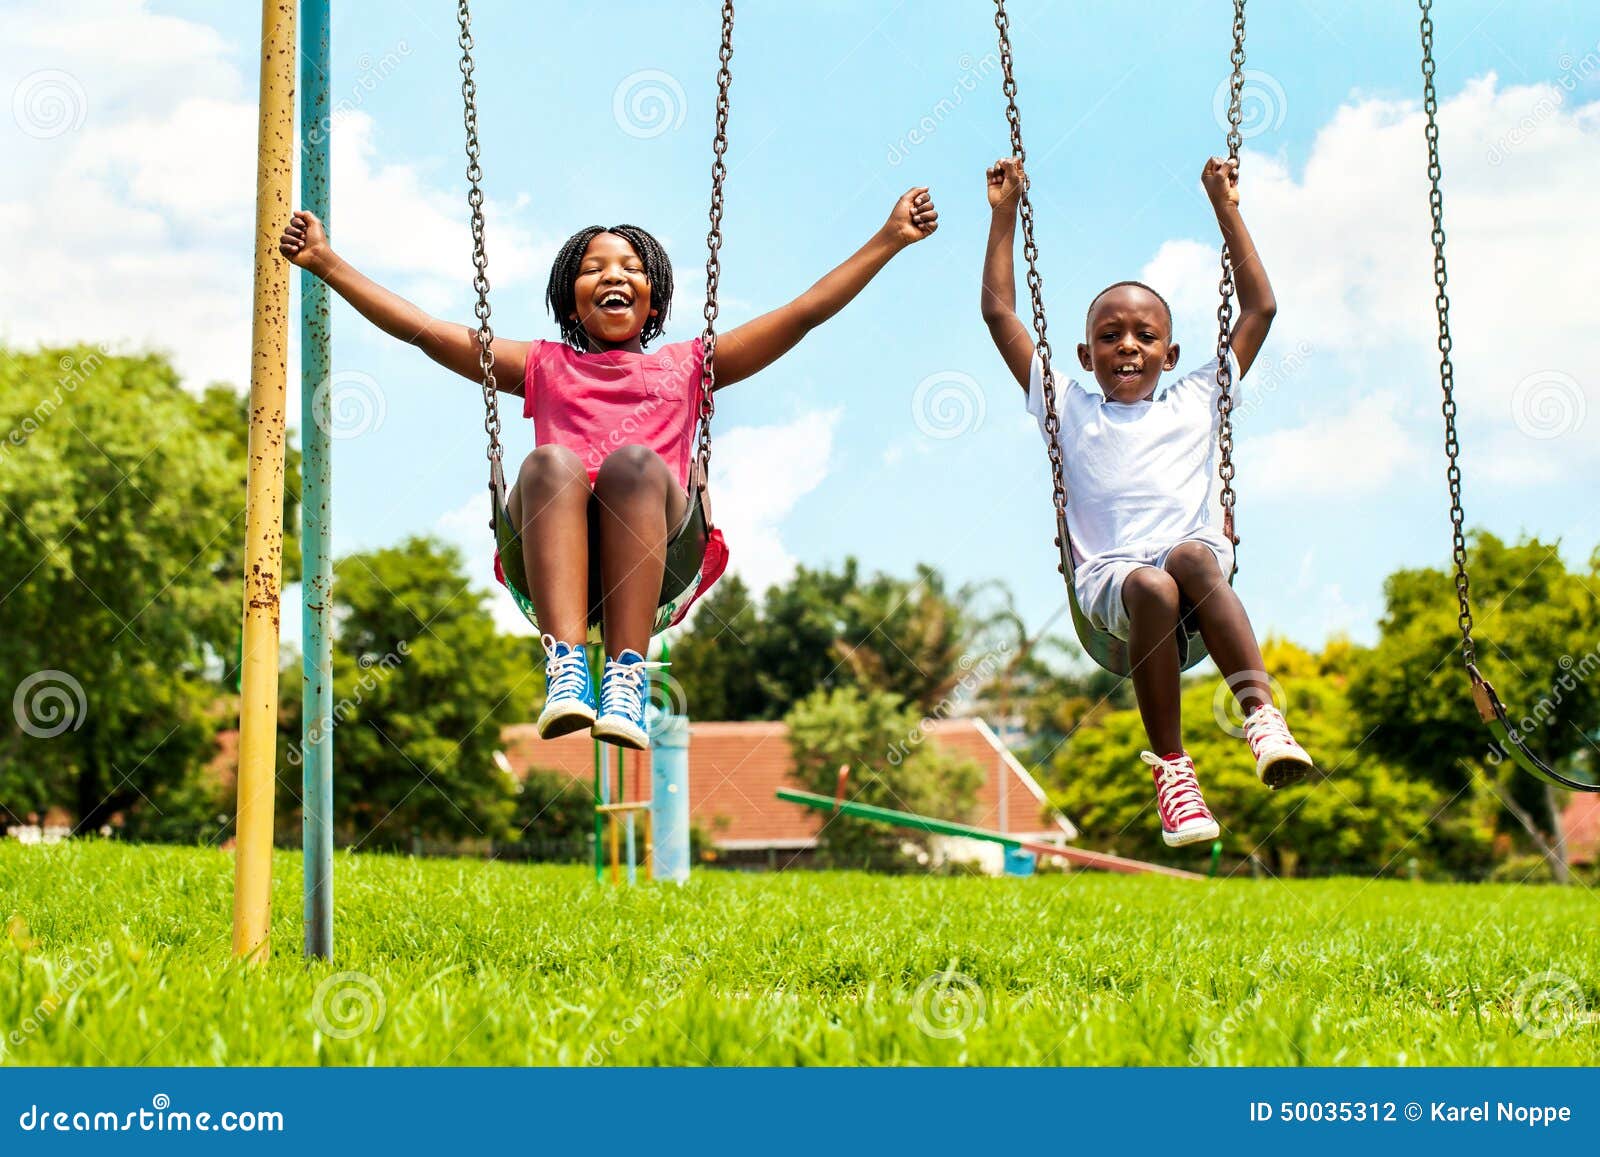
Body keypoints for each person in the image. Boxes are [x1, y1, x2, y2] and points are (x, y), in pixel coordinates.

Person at [279, 186, 938, 748]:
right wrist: (327, 264)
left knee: (630, 464)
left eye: (631, 267)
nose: (614, 274)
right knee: (551, 462)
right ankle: (566, 666)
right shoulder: (542, 365)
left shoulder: (688, 367)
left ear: (654, 302)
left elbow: (803, 314)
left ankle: (626, 675)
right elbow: (427, 331)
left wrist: (888, 239)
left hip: (659, 557)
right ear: (571, 302)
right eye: (594, 268)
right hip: (553, 556)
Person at [980, 155, 1315, 847]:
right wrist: (1004, 214)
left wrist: (1225, 205)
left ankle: (1260, 716)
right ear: (1084, 352)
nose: (1127, 345)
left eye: (1144, 335)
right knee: (1155, 585)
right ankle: (1173, 770)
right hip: (1112, 580)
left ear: (1172, 351)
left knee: (1190, 558)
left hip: (1192, 563)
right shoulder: (1067, 407)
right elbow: (999, 312)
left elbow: (1262, 308)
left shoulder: (1199, 395)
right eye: (1109, 336)